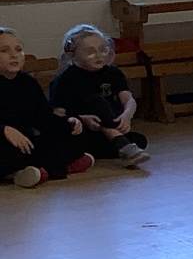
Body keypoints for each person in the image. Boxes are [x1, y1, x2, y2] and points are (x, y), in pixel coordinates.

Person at [1, 26, 91, 187]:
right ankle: (18, 172)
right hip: (4, 143)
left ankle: (34, 169)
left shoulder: (27, 83)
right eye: (4, 51)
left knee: (68, 133)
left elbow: (43, 116)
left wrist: (68, 122)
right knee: (10, 152)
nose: (14, 55)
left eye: (18, 50)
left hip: (26, 141)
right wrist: (4, 130)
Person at [49, 24, 150, 167]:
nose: (98, 55)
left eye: (103, 50)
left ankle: (118, 143)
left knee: (140, 140)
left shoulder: (113, 73)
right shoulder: (64, 80)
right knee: (96, 101)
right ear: (73, 54)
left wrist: (126, 116)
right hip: (84, 131)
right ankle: (122, 144)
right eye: (90, 52)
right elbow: (58, 113)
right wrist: (82, 119)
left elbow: (128, 99)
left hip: (108, 128)